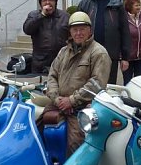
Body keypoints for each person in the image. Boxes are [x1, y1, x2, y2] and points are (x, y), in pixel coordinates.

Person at [46, 12, 111, 156]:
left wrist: (72, 100)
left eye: (82, 29)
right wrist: (57, 100)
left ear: (90, 30)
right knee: (34, 128)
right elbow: (52, 76)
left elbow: (96, 84)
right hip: (59, 103)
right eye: (75, 29)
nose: (78, 33)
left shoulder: (99, 53)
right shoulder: (63, 52)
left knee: (75, 144)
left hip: (82, 108)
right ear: (70, 31)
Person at [77, 0, 130, 85]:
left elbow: (125, 31)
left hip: (110, 55)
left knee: (108, 87)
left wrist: (125, 57)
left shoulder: (117, 4)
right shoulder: (84, 3)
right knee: (87, 86)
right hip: (88, 53)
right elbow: (76, 29)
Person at [22, 0, 69, 75]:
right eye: (44, 0)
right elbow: (27, 29)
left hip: (60, 63)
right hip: (40, 64)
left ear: (55, 2)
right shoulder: (34, 15)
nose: (48, 3)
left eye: (51, 0)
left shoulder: (65, 17)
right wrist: (42, 15)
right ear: (40, 3)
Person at [123, 0, 141, 84]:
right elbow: (121, 38)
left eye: (139, 5)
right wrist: (122, 57)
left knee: (140, 82)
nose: (139, 7)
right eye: (136, 5)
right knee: (128, 81)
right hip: (128, 57)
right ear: (129, 6)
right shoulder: (123, 18)